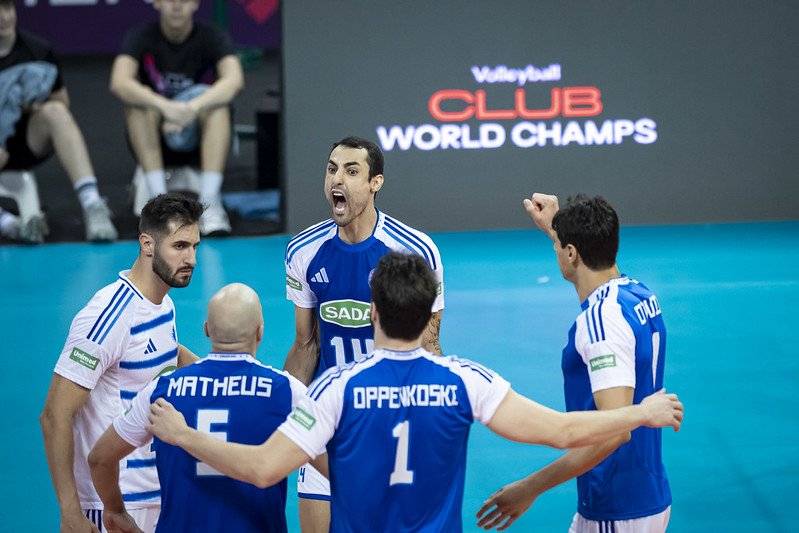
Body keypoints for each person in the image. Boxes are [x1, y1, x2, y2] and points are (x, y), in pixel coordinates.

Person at [146, 251, 684, 532]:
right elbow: (564, 430)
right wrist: (642, 411)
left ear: (373, 313)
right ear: (430, 317)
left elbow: (264, 468)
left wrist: (183, 433)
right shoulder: (465, 381)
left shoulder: (335, 387)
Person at [476, 193, 673, 532]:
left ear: (572, 253)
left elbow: (616, 431)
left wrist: (529, 487)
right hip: (642, 494)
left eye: (559, 247)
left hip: (615, 507)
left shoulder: (600, 323)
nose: (557, 252)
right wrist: (556, 229)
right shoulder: (638, 294)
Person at [282, 136, 445, 530]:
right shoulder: (302, 251)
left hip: (389, 419)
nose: (337, 179)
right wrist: (284, 404)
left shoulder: (415, 252)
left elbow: (429, 344)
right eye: (332, 168)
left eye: (352, 171)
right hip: (327, 418)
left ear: (376, 183)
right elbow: (306, 344)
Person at [40, 193, 203, 532]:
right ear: (147, 244)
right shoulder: (108, 315)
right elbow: (55, 414)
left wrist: (214, 373)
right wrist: (71, 513)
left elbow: (166, 351)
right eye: (180, 246)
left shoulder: (163, 303)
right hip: (111, 504)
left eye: (195, 246)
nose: (191, 258)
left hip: (154, 491)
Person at [88, 283, 307, 533]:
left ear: (206, 330)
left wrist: (115, 510)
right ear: (260, 332)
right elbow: (333, 461)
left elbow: (99, 458)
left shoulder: (162, 390)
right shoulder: (286, 391)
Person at [109, 0, 244, 236]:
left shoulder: (211, 36)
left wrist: (191, 108)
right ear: (158, 3)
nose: (177, 6)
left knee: (218, 106)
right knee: (138, 104)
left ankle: (211, 206)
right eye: (170, 0)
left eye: (184, 0)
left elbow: (234, 80)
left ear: (194, 4)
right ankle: (160, 208)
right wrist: (165, 107)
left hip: (198, 137)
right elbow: (119, 82)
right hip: (157, 136)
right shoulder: (141, 36)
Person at [0, 0, 117, 244]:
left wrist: (31, 106)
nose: (4, 17)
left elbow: (61, 100)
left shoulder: (37, 50)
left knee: (56, 112)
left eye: (8, 8)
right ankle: (12, 225)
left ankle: (92, 205)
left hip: (25, 141)